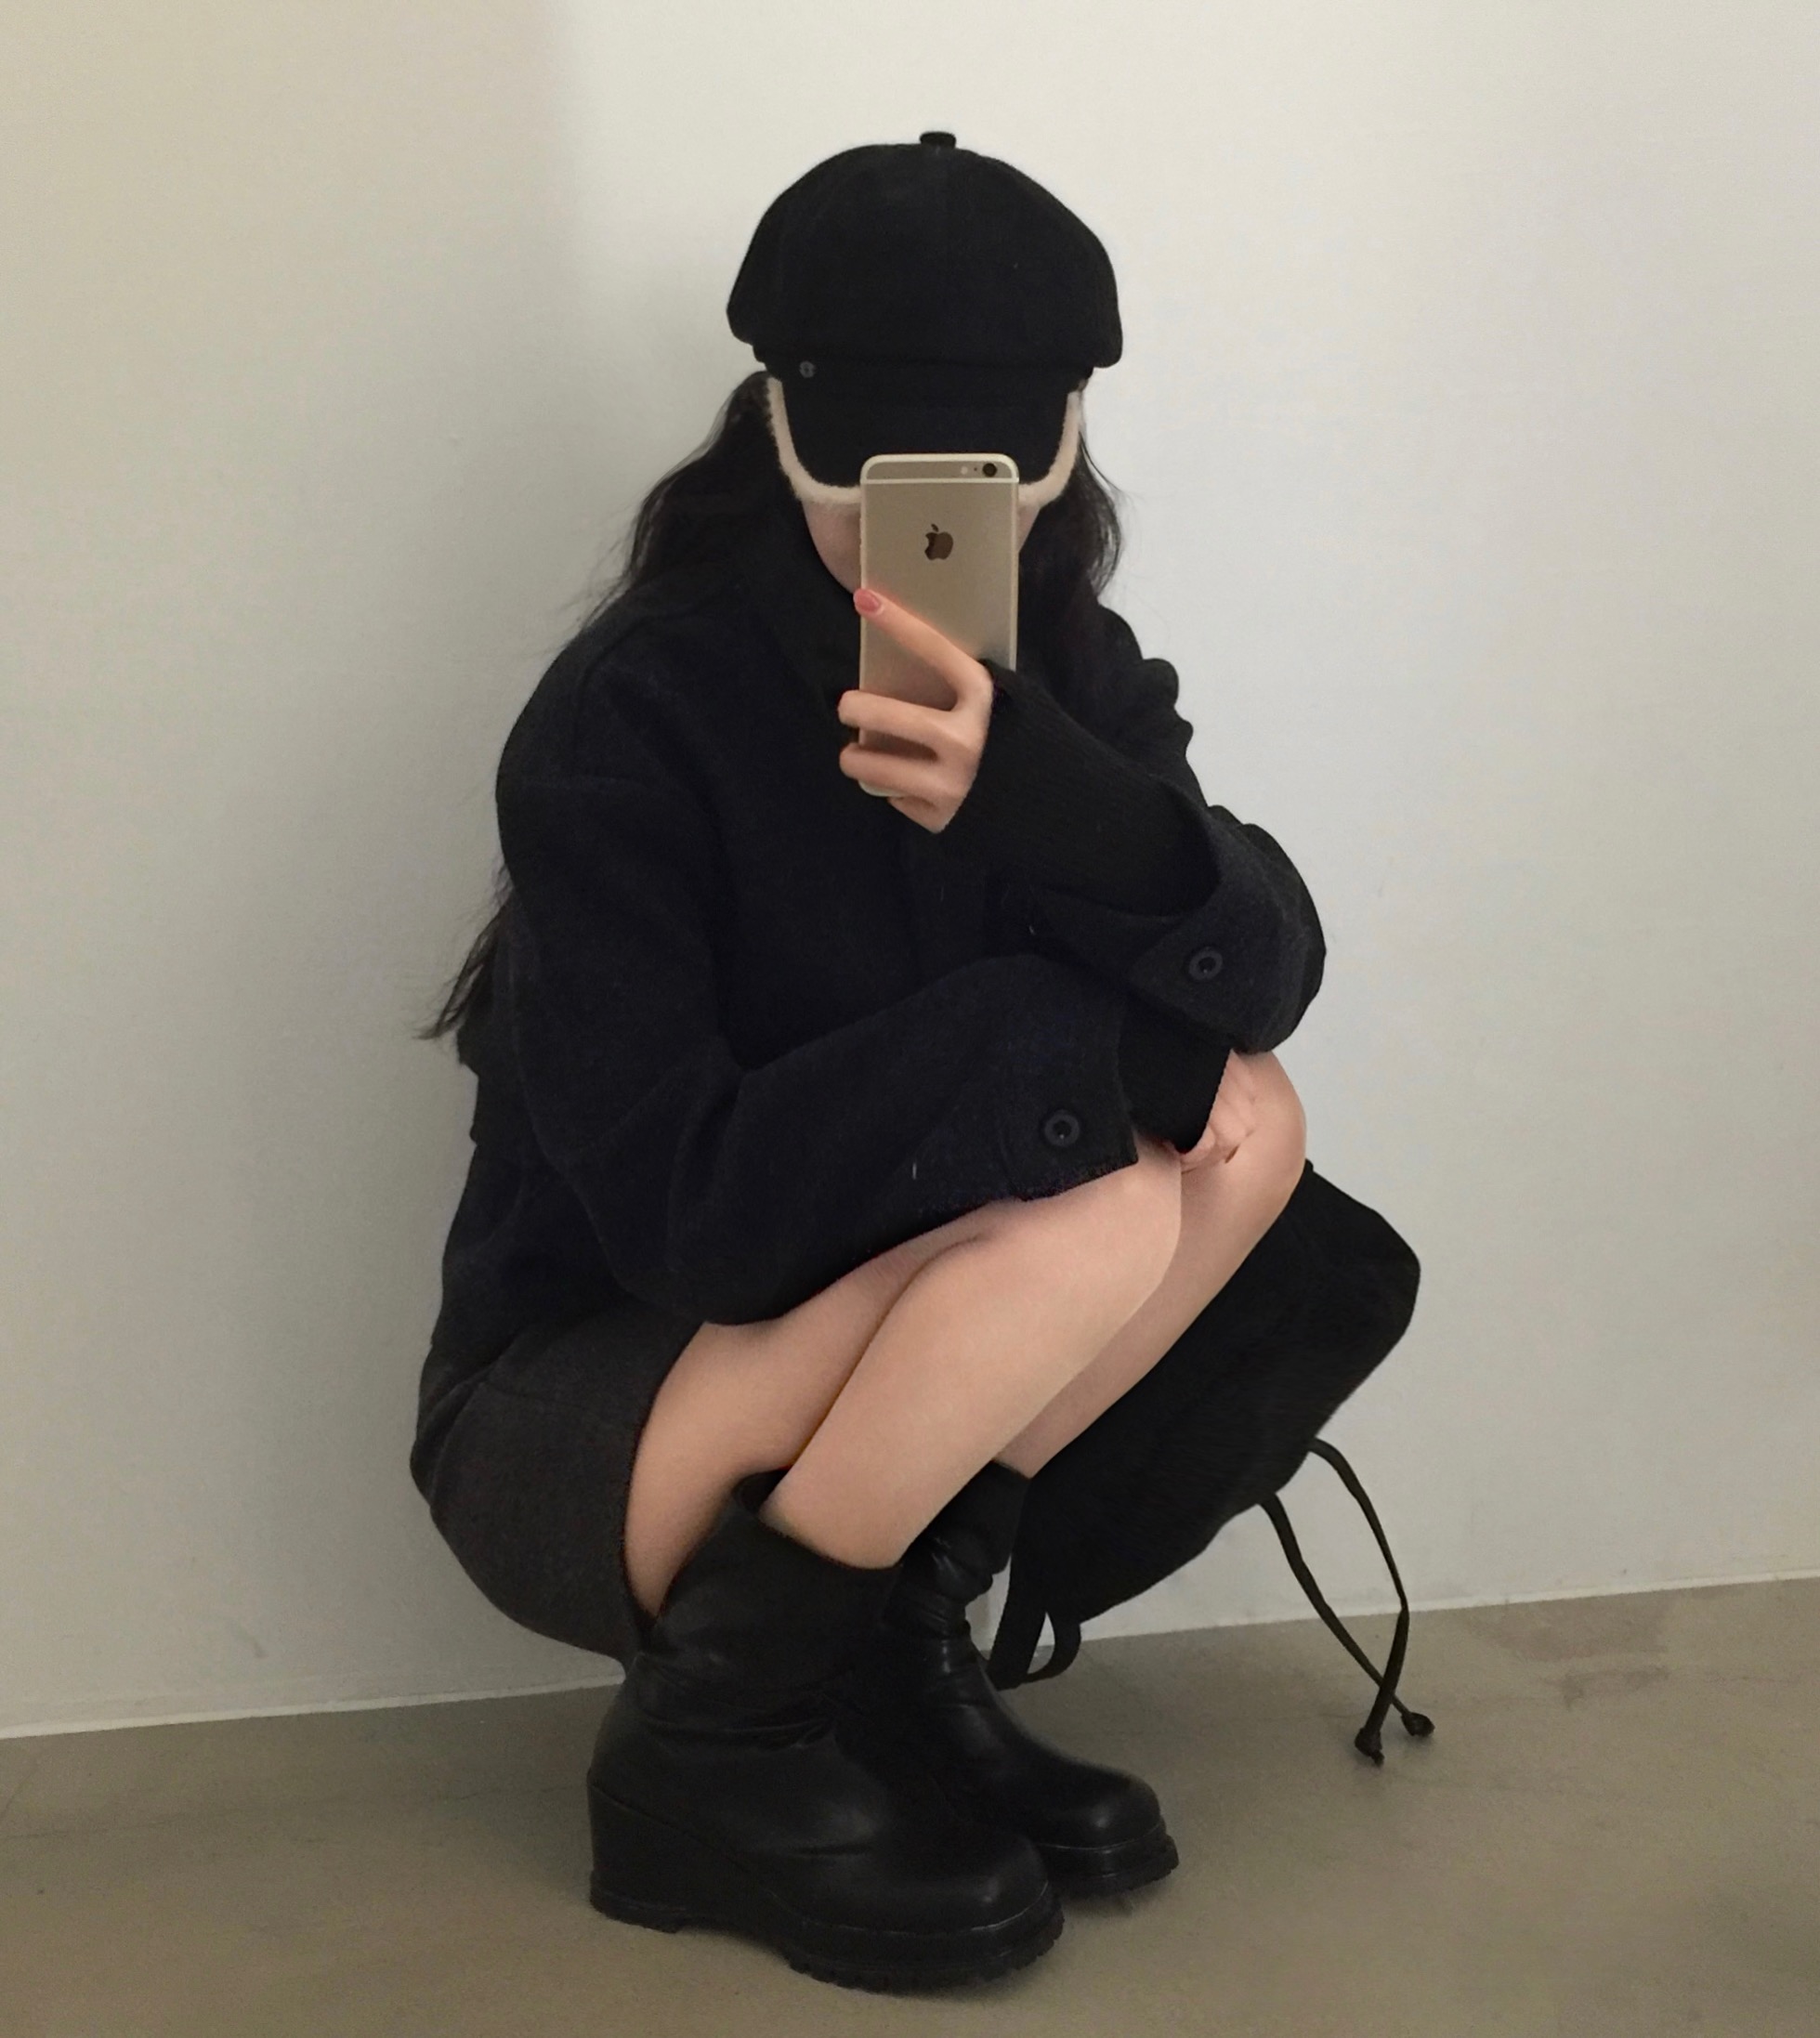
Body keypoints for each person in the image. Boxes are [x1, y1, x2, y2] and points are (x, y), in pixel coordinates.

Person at [411, 133, 1322, 1992]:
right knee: (1093, 1202)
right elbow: (687, 1218)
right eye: (872, 468)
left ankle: (888, 1660)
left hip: (869, 1365)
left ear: (1057, 445)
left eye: (968, 469)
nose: (907, 516)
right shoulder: (635, 712)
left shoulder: (1071, 670)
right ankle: (709, 1744)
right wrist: (1077, 1044)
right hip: (587, 1414)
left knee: (1248, 1130)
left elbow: (1267, 979)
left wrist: (1063, 810)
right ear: (777, 421)